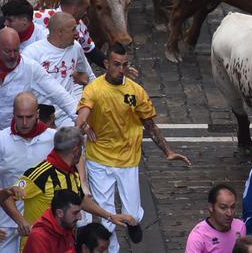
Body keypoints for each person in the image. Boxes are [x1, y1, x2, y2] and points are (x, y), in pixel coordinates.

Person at [75, 43, 190, 253]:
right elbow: (83, 112)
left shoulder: (136, 92)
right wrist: (83, 125)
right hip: (99, 159)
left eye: (125, 65)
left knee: (132, 214)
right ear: (107, 64)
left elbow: (150, 125)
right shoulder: (94, 89)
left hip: (128, 159)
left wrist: (168, 151)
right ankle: (111, 249)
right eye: (116, 64)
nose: (121, 69)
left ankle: (134, 224)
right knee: (105, 215)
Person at [2, 127, 133, 251]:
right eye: (82, 148)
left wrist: (109, 216)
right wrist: (21, 221)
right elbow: (7, 197)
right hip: (39, 246)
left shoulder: (71, 172)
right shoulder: (41, 174)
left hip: (64, 244)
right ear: (76, 150)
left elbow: (80, 200)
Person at [0, 92, 55, 253]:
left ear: (38, 114)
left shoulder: (53, 138)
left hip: (41, 222)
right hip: (5, 223)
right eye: (20, 117)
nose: (24, 122)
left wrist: (83, 182)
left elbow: (75, 153)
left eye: (29, 116)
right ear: (13, 114)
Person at [0, 27, 79, 132]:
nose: (12, 56)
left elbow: (58, 94)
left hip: (15, 134)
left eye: (16, 50)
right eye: (7, 51)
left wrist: (80, 118)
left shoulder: (30, 67)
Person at [23, 12, 95, 127]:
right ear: (60, 32)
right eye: (73, 30)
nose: (77, 33)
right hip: (42, 118)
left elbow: (89, 76)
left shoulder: (75, 47)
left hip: (69, 113)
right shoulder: (32, 53)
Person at [33, 0, 106, 69]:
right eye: (85, 9)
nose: (86, 13)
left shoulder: (80, 25)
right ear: (75, 9)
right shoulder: (39, 18)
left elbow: (91, 50)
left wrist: (110, 65)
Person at [185, 184, 246, 253]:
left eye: (232, 207)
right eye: (223, 207)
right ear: (211, 207)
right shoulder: (198, 237)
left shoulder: (240, 227)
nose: (229, 213)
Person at [23, 189, 82, 253]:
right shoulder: (39, 237)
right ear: (59, 213)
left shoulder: (67, 227)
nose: (80, 217)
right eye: (75, 213)